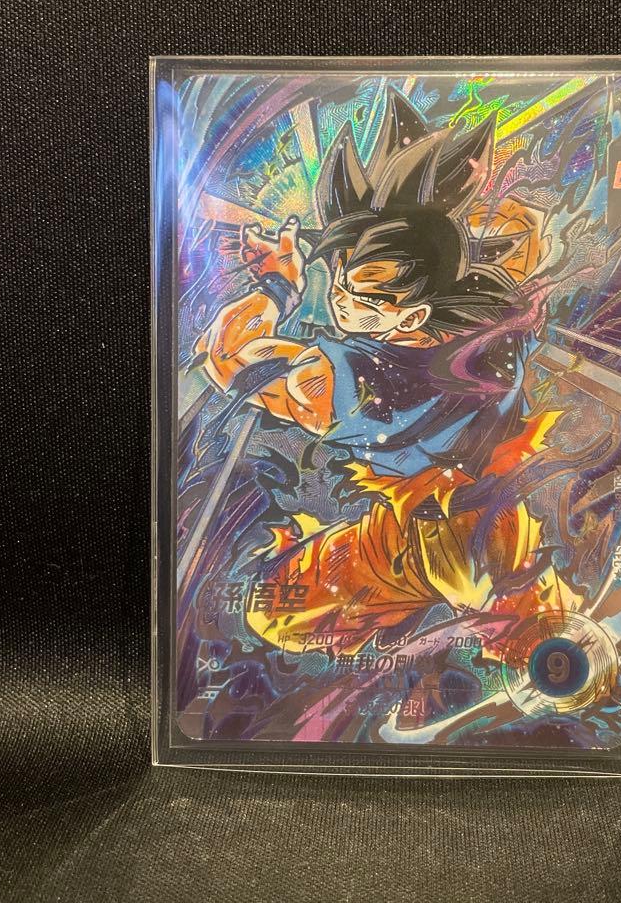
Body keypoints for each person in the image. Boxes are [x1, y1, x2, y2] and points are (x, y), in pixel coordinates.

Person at [194, 92, 563, 655]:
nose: (340, 305)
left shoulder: (338, 382)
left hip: (432, 540)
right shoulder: (499, 326)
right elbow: (524, 240)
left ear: (412, 315)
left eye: (363, 300)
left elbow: (224, 353)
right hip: (496, 519)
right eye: (339, 282)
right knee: (543, 634)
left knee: (275, 613)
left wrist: (278, 284)